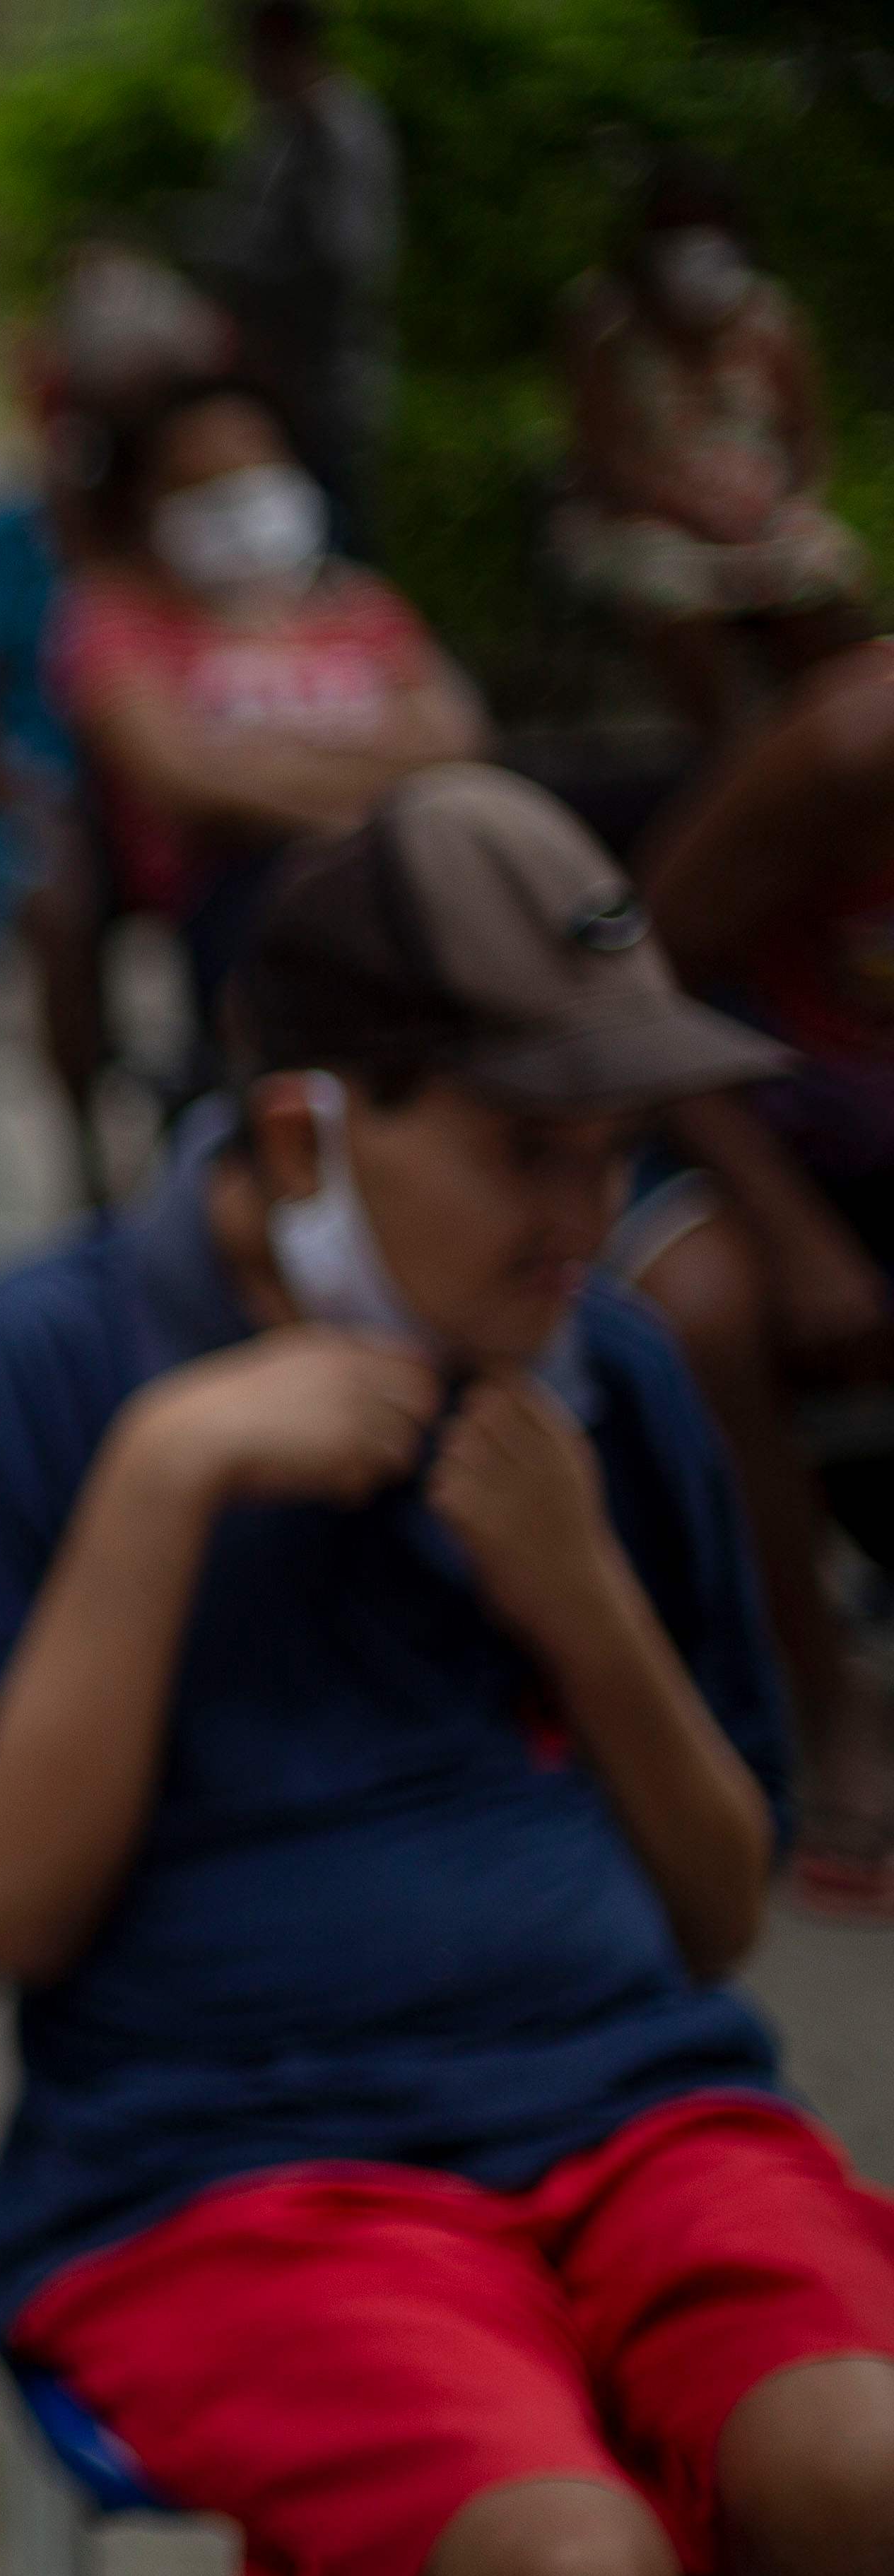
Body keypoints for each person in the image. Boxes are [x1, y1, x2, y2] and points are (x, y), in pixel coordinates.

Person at [0, 765, 894, 2576]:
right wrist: (164, 1484)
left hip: (641, 2120)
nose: (586, 1222)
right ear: (309, 1133)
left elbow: (712, 1914)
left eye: (618, 1155)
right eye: (531, 1154)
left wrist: (581, 1597)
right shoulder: (58, 1356)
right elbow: (8, 1909)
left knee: (865, 2478)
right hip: (225, 2174)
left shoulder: (603, 1369)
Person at [619, 640, 894, 1915]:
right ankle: (821, 1697)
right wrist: (793, 1233)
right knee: (708, 1316)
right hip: (731, 1117)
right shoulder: (848, 754)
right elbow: (632, 991)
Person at [49, 374, 483, 1061]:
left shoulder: (357, 601)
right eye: (204, 486)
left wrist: (260, 765)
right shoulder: (115, 621)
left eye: (259, 472)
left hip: (410, 871)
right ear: (146, 502)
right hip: (245, 897)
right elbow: (184, 785)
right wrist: (366, 797)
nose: (243, 500)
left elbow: (455, 739)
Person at [0, 246, 233, 1201]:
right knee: (53, 891)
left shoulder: (207, 531)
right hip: (53, 796)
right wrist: (34, 793)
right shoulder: (13, 542)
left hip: (193, 790)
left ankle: (222, 1115)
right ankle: (93, 1162)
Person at [555, 154, 869, 750]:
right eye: (675, 227)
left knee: (824, 581)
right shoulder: (603, 322)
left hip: (765, 517)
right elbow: (598, 455)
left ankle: (820, 747)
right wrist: (691, 511)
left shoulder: (772, 317)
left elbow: (808, 439)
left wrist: (782, 506)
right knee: (673, 598)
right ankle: (726, 759)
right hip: (648, 521)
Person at [186, 0, 399, 549]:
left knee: (336, 539)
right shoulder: (276, 131)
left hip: (327, 385)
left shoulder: (338, 129)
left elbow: (345, 259)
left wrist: (243, 268)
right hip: (277, 382)